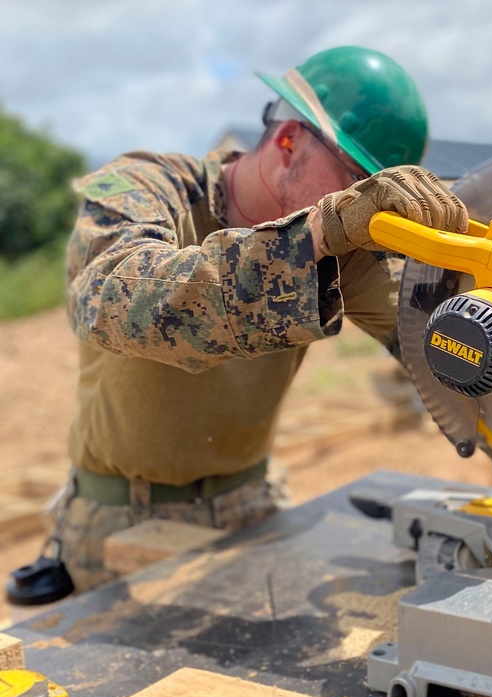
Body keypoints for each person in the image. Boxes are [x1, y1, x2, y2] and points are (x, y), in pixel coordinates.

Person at [7, 46, 467, 605]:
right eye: (355, 179)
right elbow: (115, 301)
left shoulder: (346, 247)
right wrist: (316, 236)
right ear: (289, 140)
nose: (364, 207)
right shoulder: (147, 189)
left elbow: (444, 342)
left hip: (252, 506)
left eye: (376, 189)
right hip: (118, 521)